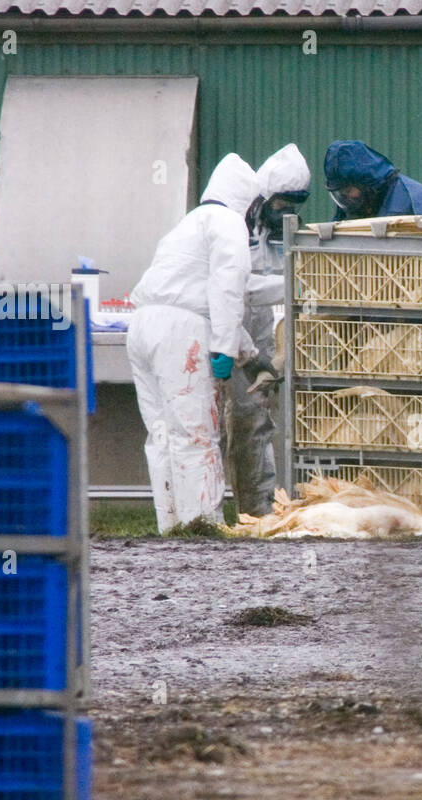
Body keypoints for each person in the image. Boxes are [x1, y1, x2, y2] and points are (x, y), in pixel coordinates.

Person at [127, 153, 271, 533]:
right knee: (196, 434)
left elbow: (209, 294)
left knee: (162, 435)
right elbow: (226, 291)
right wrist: (224, 351)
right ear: (247, 199)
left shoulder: (187, 225)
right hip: (180, 333)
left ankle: (171, 527)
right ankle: (204, 527)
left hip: (142, 326)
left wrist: (248, 355)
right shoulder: (228, 224)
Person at [223, 143, 312, 517]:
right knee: (232, 424)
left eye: (294, 205)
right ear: (264, 198)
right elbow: (241, 290)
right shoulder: (235, 229)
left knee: (258, 423)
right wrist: (294, 283)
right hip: (230, 336)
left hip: (263, 344)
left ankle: (262, 510)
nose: (286, 212)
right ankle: (234, 508)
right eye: (281, 204)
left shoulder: (287, 234)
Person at [323, 140, 422, 221]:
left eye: (348, 190)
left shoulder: (415, 200)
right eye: (339, 193)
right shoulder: (355, 203)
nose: (344, 197)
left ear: (366, 184)